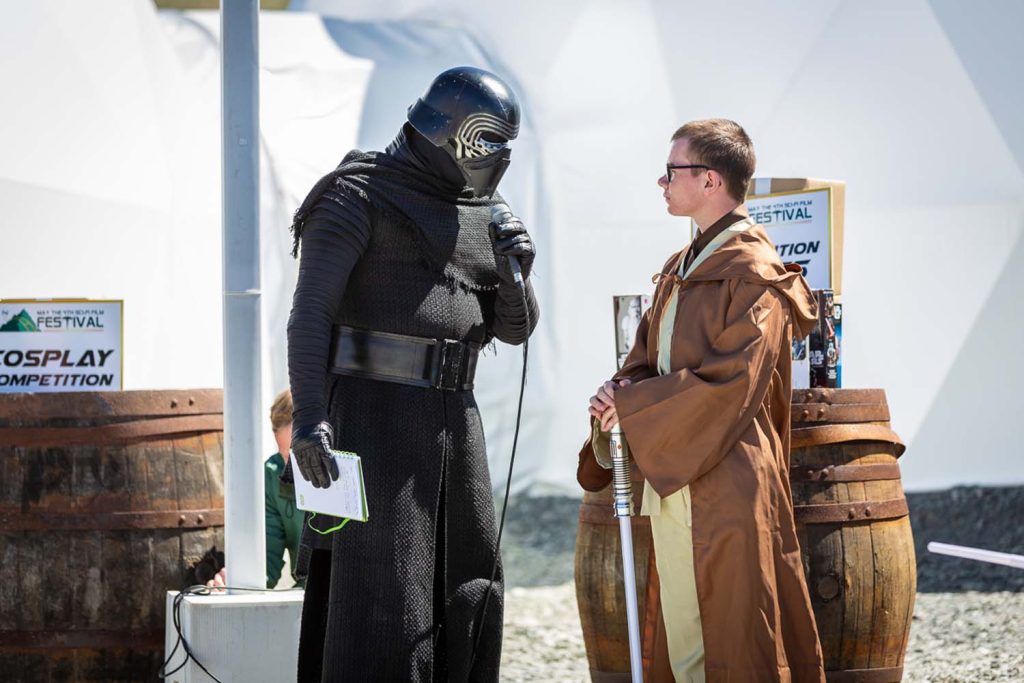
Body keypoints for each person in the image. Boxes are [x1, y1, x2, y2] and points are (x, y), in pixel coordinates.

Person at [286, 66, 538, 682]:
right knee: (384, 596)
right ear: (449, 132)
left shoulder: (484, 211)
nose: (496, 158)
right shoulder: (355, 194)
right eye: (487, 141)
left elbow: (515, 328)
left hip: (457, 421)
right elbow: (310, 314)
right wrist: (309, 417)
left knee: (469, 580)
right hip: (373, 421)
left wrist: (514, 274)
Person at [579, 119, 826, 681]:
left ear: (710, 180)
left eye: (672, 171)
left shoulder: (755, 275)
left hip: (727, 475)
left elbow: (732, 381)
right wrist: (617, 393)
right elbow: (647, 357)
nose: (661, 182)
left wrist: (638, 407)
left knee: (735, 638)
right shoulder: (679, 268)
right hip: (677, 471)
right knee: (685, 636)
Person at [205, 388, 304, 591]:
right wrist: (234, 582)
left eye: (303, 457)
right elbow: (265, 565)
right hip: (308, 597)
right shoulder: (274, 475)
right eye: (288, 458)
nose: (295, 469)